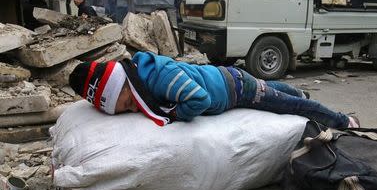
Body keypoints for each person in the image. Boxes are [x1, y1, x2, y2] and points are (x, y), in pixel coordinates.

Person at [69, 51, 359, 128]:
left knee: (287, 105)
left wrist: (176, 114)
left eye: (129, 103)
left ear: (126, 83)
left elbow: (199, 99)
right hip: (229, 79)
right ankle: (300, 93)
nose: (133, 109)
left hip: (235, 89)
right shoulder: (141, 81)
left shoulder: (159, 77)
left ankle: (342, 120)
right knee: (272, 88)